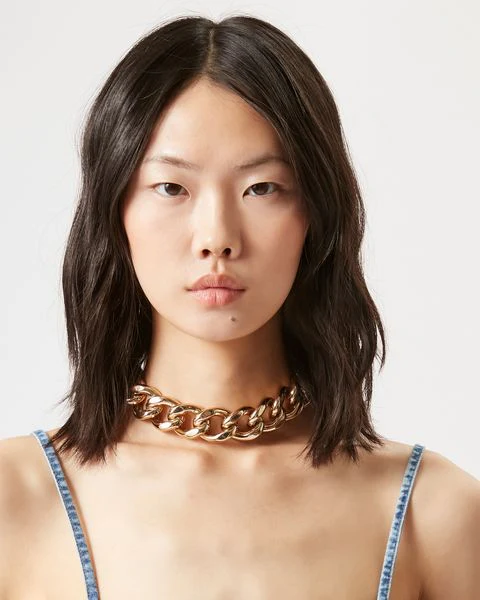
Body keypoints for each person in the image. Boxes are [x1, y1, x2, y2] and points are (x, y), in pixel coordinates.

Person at [0, 13, 478, 600]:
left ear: (316, 214)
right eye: (172, 187)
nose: (217, 237)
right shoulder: (15, 501)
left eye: (262, 188)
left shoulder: (434, 514)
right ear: (114, 210)